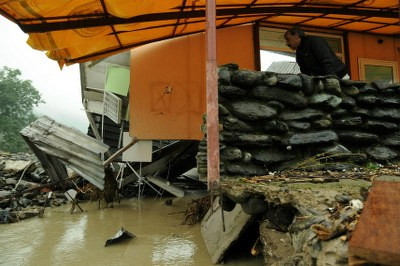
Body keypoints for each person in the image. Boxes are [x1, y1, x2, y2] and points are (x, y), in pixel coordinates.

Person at [284, 27, 350, 79]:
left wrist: (332, 79)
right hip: (325, 79)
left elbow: (326, 61)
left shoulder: (314, 41)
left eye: (288, 39)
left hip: (339, 76)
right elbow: (305, 72)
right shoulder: (299, 53)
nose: (287, 44)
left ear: (296, 36)